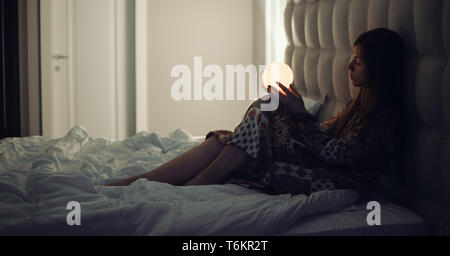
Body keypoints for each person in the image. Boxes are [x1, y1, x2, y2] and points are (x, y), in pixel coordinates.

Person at [105, 28, 406, 197]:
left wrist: (300, 115)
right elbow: (325, 132)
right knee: (229, 136)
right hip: (318, 165)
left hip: (332, 180)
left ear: (379, 68)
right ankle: (143, 180)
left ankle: (194, 186)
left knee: (264, 112)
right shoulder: (358, 104)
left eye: (358, 62)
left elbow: (335, 154)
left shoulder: (386, 118)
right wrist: (295, 115)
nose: (349, 67)